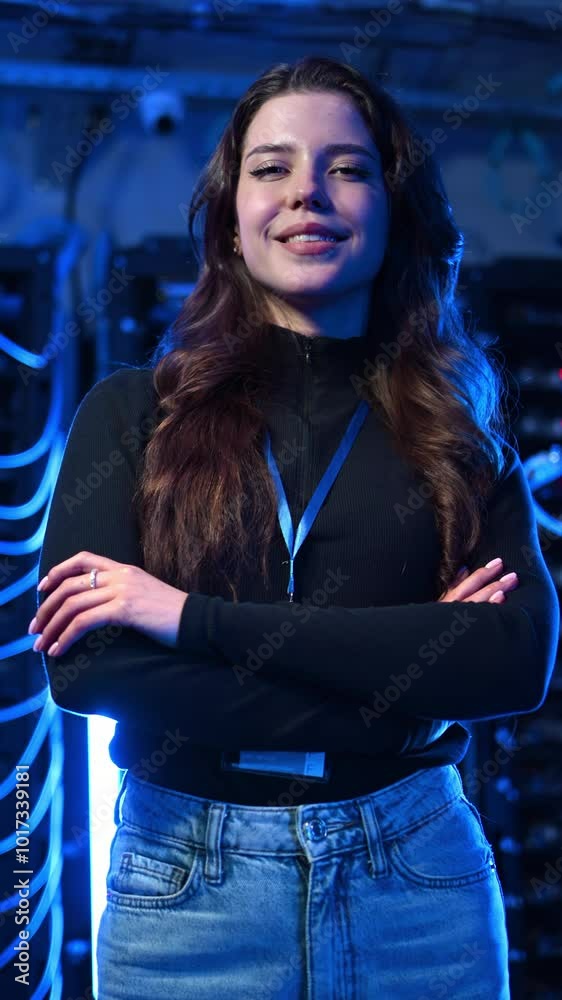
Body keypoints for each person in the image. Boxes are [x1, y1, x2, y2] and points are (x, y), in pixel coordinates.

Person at [31, 56, 558, 999]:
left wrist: (187, 620)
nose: (306, 193)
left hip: (418, 884)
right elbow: (90, 668)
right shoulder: (130, 416)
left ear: (393, 208)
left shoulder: (455, 426)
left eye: (347, 168)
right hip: (187, 890)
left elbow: (513, 664)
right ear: (231, 216)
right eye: (271, 168)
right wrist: (407, 682)